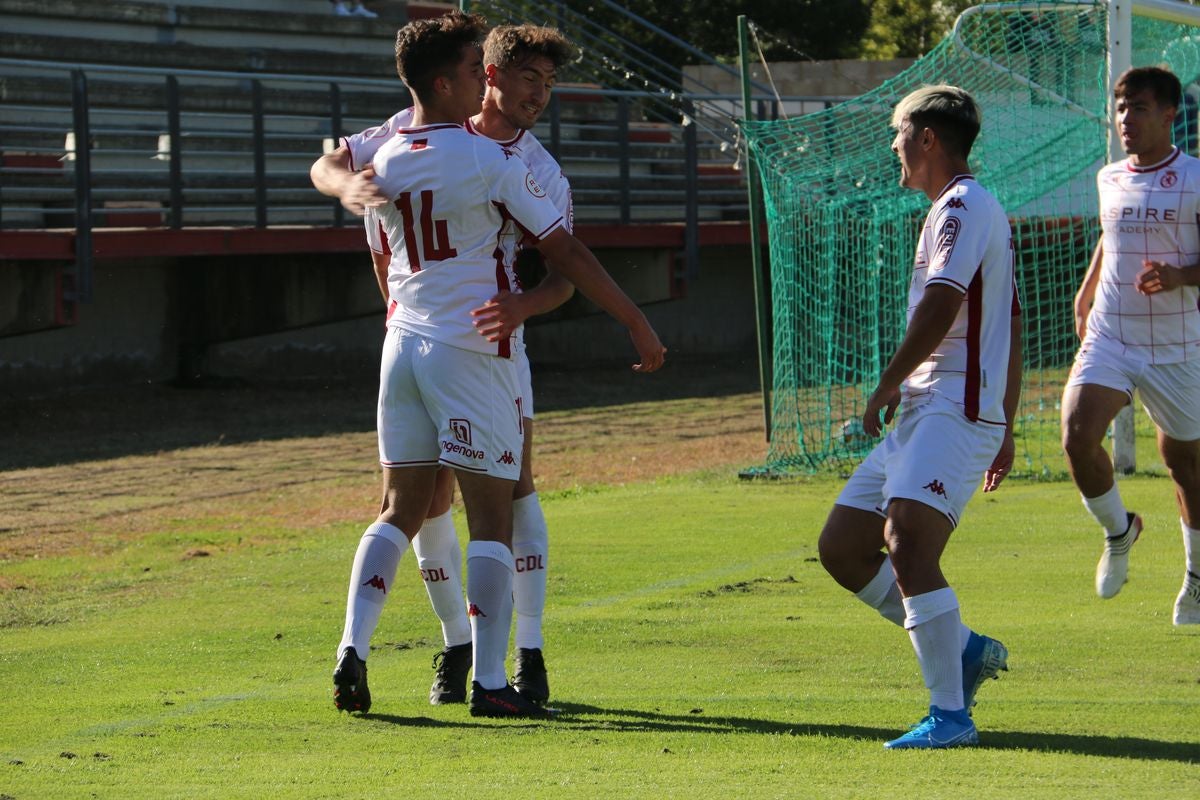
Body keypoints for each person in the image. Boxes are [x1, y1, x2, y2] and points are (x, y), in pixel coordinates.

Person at [322, 11, 665, 719]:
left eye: (547, 82)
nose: (531, 91)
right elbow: (567, 255)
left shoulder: (388, 153)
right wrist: (634, 318)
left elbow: (338, 168)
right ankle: (487, 678)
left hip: (403, 345)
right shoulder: (491, 162)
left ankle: (354, 651)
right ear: (467, 79)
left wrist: (526, 305)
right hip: (473, 349)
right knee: (492, 515)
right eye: (500, 71)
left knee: (400, 509)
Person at [816, 85, 1022, 749]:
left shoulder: (963, 205)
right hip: (930, 409)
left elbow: (940, 306)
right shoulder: (956, 209)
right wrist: (1010, 425)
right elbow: (1012, 323)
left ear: (928, 139)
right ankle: (961, 648)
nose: (893, 146)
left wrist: (883, 387)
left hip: (953, 408)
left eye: (898, 133)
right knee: (844, 547)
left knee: (907, 541)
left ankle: (950, 716)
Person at [1062, 66, 1200, 626]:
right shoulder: (1108, 177)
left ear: (1169, 115)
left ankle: (1196, 581)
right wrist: (1087, 288)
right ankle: (1120, 531)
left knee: (1186, 467)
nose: (1126, 119)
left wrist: (1179, 276)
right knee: (1076, 435)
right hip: (1112, 334)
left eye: (1139, 108)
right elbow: (1111, 231)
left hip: (1178, 345)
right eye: (1120, 108)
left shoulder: (1194, 178)